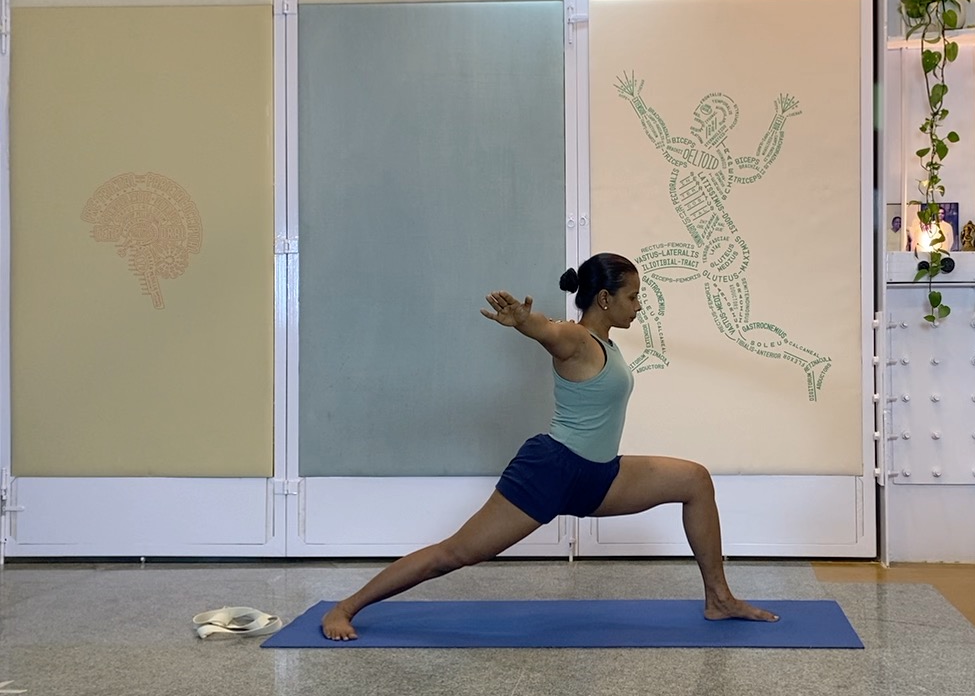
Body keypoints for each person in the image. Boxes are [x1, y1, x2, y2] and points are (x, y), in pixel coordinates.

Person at [321, 253, 779, 640]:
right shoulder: (576, 338)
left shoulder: (607, 344)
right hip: (552, 471)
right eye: (633, 297)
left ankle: (719, 598)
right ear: (605, 299)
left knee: (695, 480)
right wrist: (525, 322)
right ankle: (345, 607)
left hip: (600, 476)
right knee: (454, 554)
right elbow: (549, 331)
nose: (639, 306)